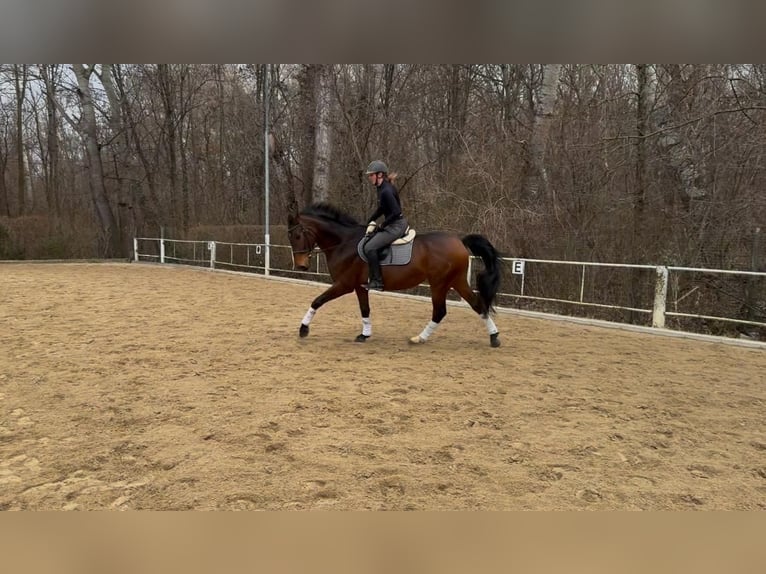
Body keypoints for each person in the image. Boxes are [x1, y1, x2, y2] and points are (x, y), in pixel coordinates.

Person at [362, 160, 408, 291]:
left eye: (371, 175)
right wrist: (370, 220)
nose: (369, 177)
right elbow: (382, 209)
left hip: (396, 225)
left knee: (370, 247)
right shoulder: (381, 188)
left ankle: (377, 282)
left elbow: (396, 212)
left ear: (380, 175)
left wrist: (382, 225)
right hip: (392, 223)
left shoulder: (386, 191)